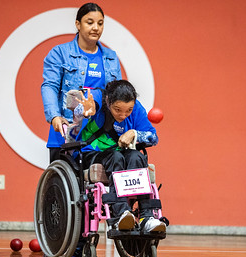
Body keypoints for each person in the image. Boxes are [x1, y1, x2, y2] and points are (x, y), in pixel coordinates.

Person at [74, 80, 166, 233]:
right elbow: (78, 112)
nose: (123, 115)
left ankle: (146, 217)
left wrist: (134, 133)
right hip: (93, 152)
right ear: (109, 101)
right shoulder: (98, 98)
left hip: (120, 152)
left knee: (136, 157)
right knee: (116, 157)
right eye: (117, 110)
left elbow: (153, 137)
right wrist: (84, 111)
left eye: (128, 110)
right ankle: (121, 214)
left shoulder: (136, 108)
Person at [41, 2, 122, 163]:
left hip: (100, 133)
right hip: (67, 129)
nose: (96, 28)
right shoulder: (60, 53)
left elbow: (116, 94)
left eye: (100, 23)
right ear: (78, 24)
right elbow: (50, 86)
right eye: (89, 22)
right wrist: (54, 116)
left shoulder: (111, 57)